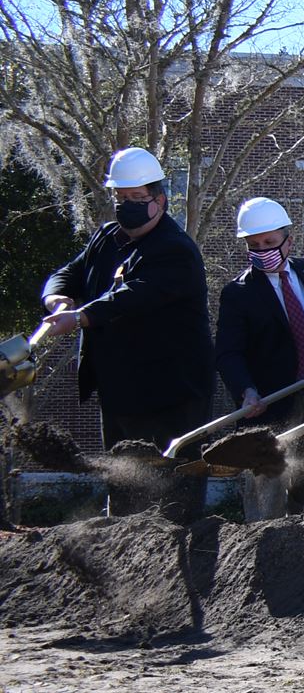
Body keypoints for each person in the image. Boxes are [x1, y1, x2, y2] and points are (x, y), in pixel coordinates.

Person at [38, 146, 215, 521]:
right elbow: (70, 273)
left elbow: (133, 297)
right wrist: (57, 299)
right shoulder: (106, 238)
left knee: (171, 495)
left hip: (170, 395)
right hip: (120, 391)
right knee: (125, 487)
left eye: (136, 198)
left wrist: (81, 317)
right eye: (121, 198)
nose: (127, 206)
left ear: (159, 200)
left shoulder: (175, 250)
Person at [212, 195, 304, 520]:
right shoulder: (238, 293)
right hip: (269, 404)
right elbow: (228, 353)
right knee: (266, 490)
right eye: (254, 245)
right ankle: (264, 548)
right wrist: (246, 390)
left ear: (288, 241)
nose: (262, 251)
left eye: (270, 242)